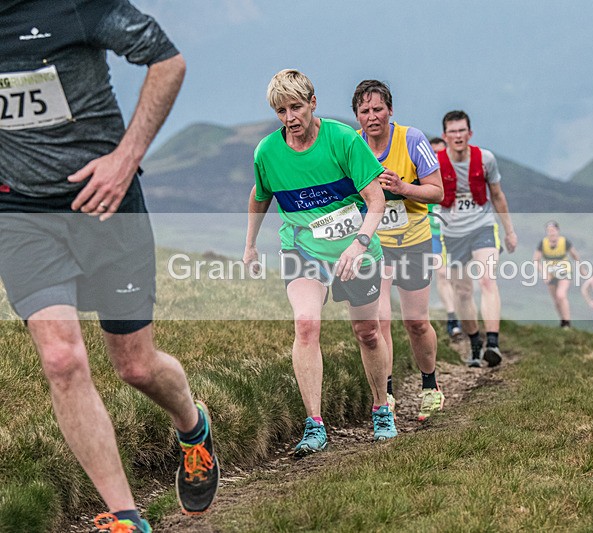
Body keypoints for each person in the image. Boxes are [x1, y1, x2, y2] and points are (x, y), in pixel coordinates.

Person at [0, 2, 217, 530]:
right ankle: (126, 517)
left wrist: (126, 158)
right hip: (21, 212)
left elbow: (167, 61)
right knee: (61, 359)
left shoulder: (78, 6)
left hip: (106, 201)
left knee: (135, 366)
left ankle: (193, 429)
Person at [244, 70, 396, 456]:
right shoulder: (267, 152)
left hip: (355, 250)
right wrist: (250, 246)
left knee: (368, 332)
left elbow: (375, 200)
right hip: (302, 249)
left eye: (296, 107)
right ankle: (314, 424)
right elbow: (260, 196)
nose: (290, 118)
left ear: (313, 102)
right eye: (281, 111)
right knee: (306, 324)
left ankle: (382, 408)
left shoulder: (343, 139)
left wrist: (359, 244)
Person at [351, 80, 445, 422]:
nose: (372, 116)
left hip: (414, 241)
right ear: (357, 116)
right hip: (375, 245)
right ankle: (386, 394)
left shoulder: (412, 140)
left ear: (390, 110)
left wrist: (403, 187)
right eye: (365, 111)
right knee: (380, 320)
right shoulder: (353, 145)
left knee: (416, 322)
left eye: (378, 109)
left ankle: (430, 386)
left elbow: (437, 192)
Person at [437, 110, 518, 367]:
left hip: (483, 226)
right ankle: (474, 342)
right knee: (462, 291)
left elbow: (497, 195)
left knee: (486, 279)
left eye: (462, 130)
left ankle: (492, 343)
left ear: (470, 133)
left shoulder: (485, 159)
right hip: (452, 233)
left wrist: (509, 231)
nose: (458, 136)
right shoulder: (436, 162)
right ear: (445, 136)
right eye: (453, 131)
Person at [428, 137, 463, 339]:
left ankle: (461, 313)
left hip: (455, 235)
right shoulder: (422, 177)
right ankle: (452, 318)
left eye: (440, 152)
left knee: (457, 278)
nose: (436, 156)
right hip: (432, 234)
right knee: (441, 274)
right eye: (432, 152)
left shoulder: (456, 177)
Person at [533, 220, 581, 328]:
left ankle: (567, 323)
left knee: (561, 295)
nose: (551, 233)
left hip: (564, 272)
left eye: (553, 230)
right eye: (549, 231)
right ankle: (563, 321)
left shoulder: (564, 242)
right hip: (551, 274)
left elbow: (575, 255)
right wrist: (543, 273)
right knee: (556, 300)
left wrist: (581, 268)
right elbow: (535, 260)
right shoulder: (543, 243)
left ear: (558, 231)